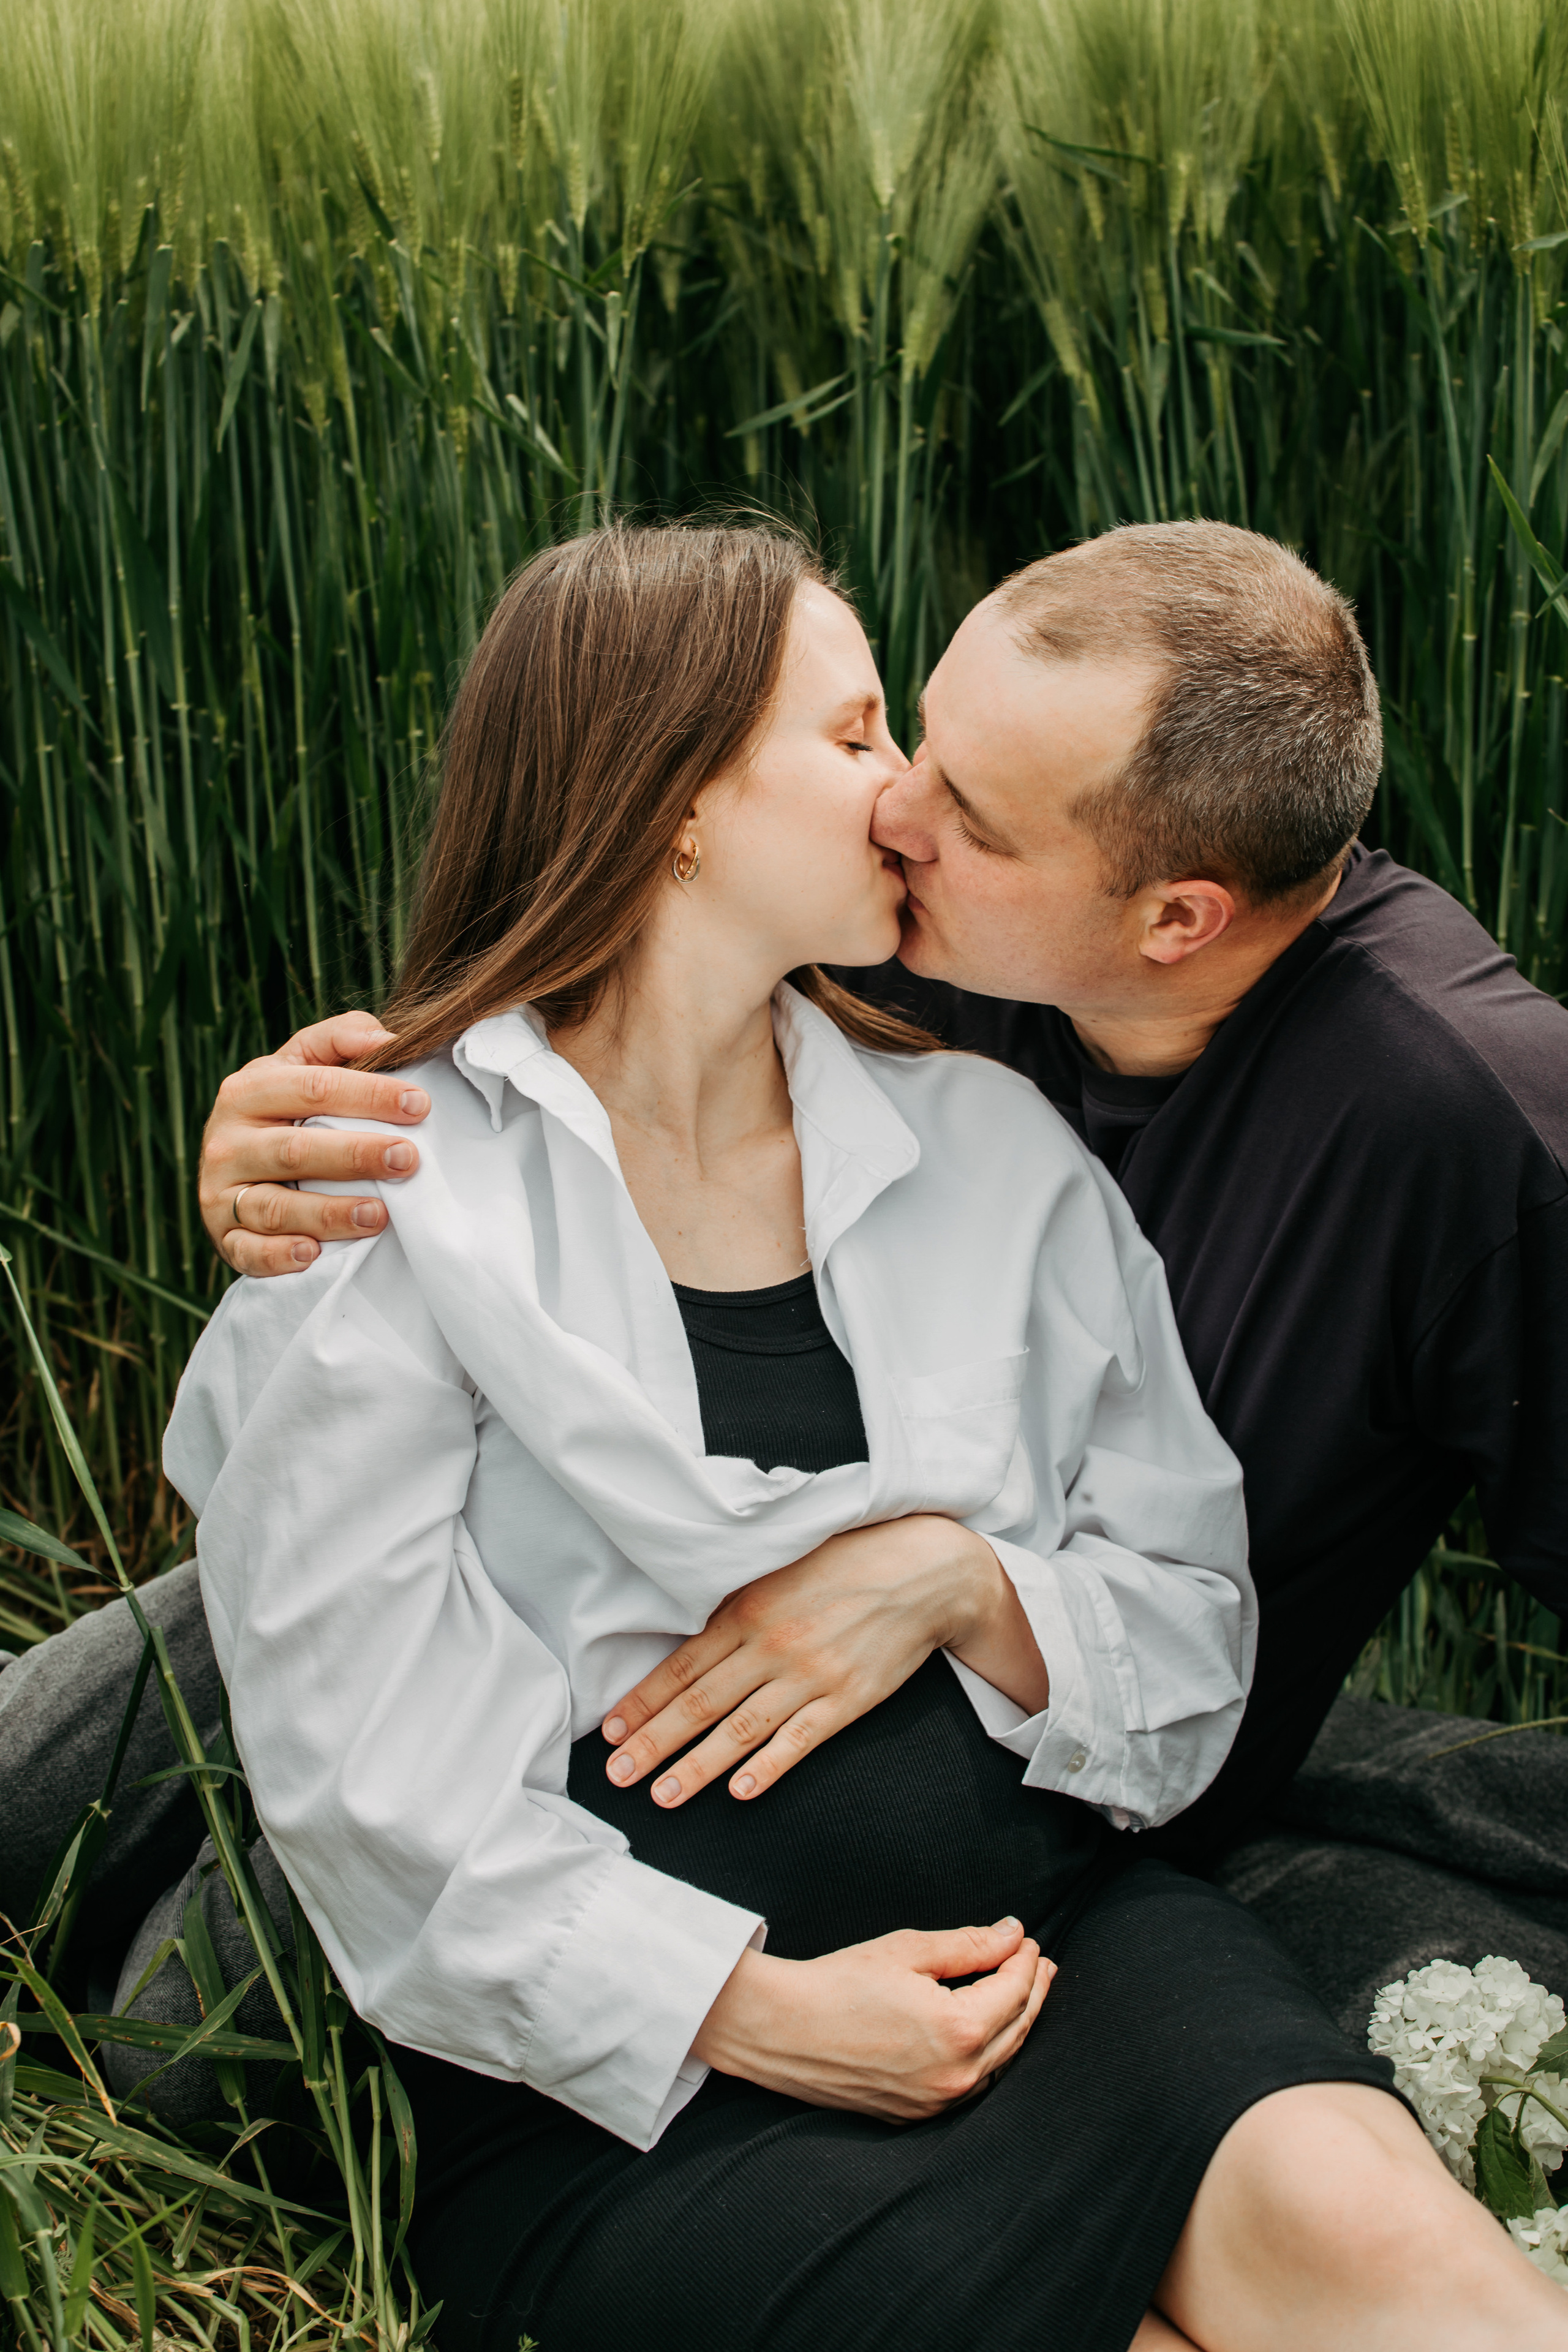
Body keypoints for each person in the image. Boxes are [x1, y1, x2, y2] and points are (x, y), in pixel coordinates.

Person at [162, 521, 1558, 2351]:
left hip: (1060, 1952)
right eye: (863, 739)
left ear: (1171, 917)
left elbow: (1183, 1603)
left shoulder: (1007, 1132)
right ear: (671, 806)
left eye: (954, 792)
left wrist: (964, 1584)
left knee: (1407, 2262)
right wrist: (751, 2008)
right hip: (639, 2083)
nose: (904, 804)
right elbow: (364, 1774)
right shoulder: (406, 1200)